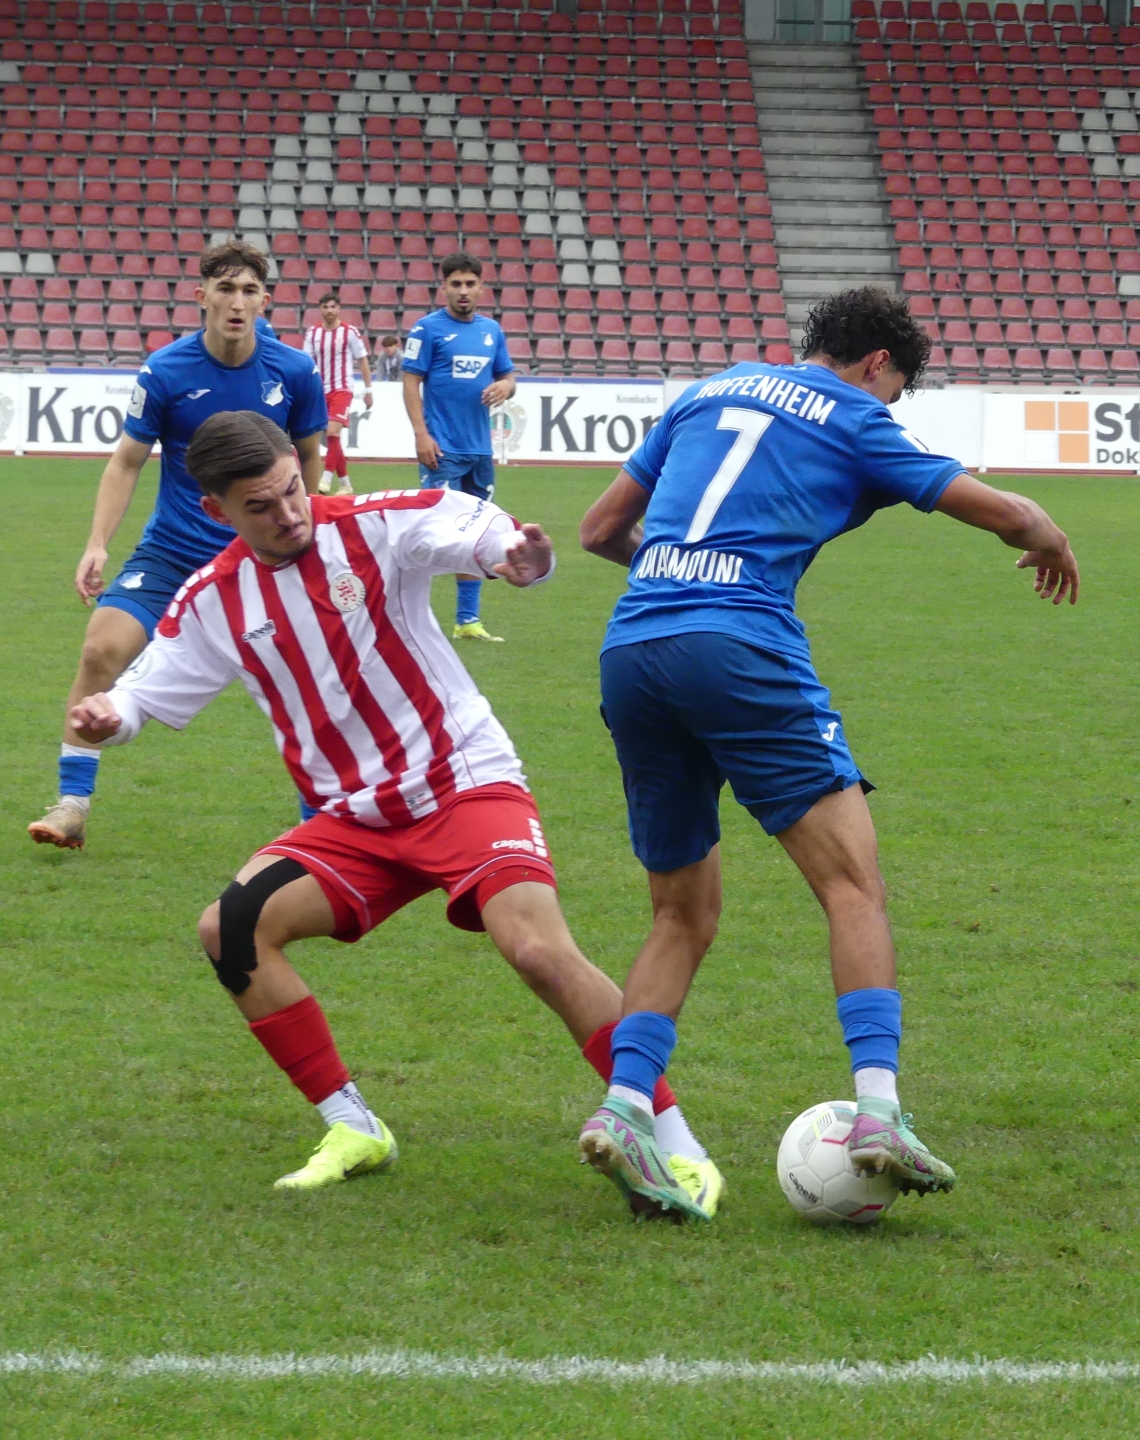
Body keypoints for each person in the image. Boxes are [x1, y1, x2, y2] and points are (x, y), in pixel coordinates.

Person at [64, 411, 720, 1213]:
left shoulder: (374, 524)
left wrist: (518, 556)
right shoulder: (214, 598)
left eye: (292, 490)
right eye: (260, 506)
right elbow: (146, 689)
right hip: (354, 821)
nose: (288, 513)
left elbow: (469, 525)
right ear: (217, 511)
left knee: (538, 952)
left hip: (462, 782)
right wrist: (110, 716)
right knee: (230, 930)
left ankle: (675, 1143)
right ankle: (353, 1126)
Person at [571, 287, 1080, 1220]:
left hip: (633, 649)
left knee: (680, 914)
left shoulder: (706, 391)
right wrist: (1045, 531)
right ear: (878, 364)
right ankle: (878, 1113)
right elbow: (1002, 514)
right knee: (852, 885)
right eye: (895, 391)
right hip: (742, 648)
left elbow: (598, 530)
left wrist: (678, 575)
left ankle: (626, 1106)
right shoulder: (853, 414)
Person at [29, 241, 328, 852]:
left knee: (308, 678)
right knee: (100, 649)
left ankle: (321, 821)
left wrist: (301, 531)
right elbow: (127, 461)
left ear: (265, 301)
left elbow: (309, 457)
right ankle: (72, 804)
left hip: (262, 556)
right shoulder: (165, 370)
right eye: (225, 289)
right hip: (172, 552)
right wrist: (97, 544)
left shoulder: (294, 371)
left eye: (249, 291)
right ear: (201, 297)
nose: (237, 302)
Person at [404, 251, 516, 643]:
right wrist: (421, 434)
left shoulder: (491, 331)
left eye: (470, 283)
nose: (463, 290)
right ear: (444, 288)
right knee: (430, 534)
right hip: (442, 448)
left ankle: (467, 620)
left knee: (476, 533)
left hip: (479, 450)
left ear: (481, 287)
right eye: (456, 284)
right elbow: (410, 383)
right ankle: (408, 616)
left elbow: (508, 376)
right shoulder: (426, 330)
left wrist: (505, 387)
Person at [303, 292, 374, 496]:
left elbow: (362, 360)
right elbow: (306, 363)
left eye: (333, 306)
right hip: (320, 391)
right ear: (320, 309)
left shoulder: (349, 332)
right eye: (325, 307)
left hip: (342, 389)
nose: (329, 311)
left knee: (332, 431)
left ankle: (325, 479)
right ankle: (345, 484)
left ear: (339, 308)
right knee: (333, 439)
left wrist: (368, 390)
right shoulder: (313, 333)